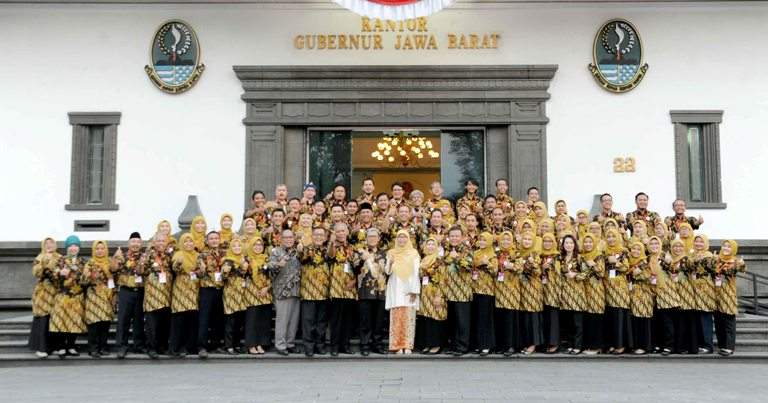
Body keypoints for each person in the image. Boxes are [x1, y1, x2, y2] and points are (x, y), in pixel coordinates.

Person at [352, 228, 388, 356]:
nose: (372, 238)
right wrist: (362, 259)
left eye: (375, 236)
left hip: (381, 291)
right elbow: (354, 269)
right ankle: (364, 344)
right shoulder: (360, 252)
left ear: (379, 239)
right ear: (366, 238)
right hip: (365, 291)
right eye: (370, 236)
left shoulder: (385, 253)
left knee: (379, 321)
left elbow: (388, 272)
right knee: (365, 320)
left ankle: (377, 344)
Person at [50, 235, 87, 358]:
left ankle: (71, 345)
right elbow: (52, 274)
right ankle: (61, 346)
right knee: (61, 321)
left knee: (74, 321)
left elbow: (86, 278)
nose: (73, 248)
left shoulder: (83, 262)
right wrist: (59, 273)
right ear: (67, 247)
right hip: (63, 295)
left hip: (77, 296)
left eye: (76, 245)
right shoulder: (61, 260)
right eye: (71, 245)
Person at [385, 229, 421, 354]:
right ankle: (397, 345)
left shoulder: (414, 253)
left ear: (408, 239)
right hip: (395, 287)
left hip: (409, 287)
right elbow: (387, 271)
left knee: (408, 316)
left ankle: (408, 345)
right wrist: (390, 261)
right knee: (397, 316)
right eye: (399, 237)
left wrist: (415, 290)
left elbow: (416, 272)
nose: (402, 240)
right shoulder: (391, 252)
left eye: (404, 237)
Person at [267, 229, 302, 356]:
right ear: (281, 239)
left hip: (296, 290)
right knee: (282, 320)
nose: (288, 239)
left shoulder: (298, 252)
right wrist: (278, 264)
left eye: (291, 237)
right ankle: (280, 345)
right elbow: (269, 265)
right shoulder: (276, 251)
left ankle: (290, 343)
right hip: (282, 291)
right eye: (286, 237)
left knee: (294, 320)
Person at [113, 232, 146, 358]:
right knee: (123, 320)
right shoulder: (123, 256)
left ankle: (138, 345)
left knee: (139, 320)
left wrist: (143, 263)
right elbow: (114, 270)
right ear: (129, 243)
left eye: (138, 242)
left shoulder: (145, 257)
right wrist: (116, 258)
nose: (135, 244)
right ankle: (122, 346)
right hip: (126, 291)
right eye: (133, 241)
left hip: (141, 290)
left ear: (141, 243)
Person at [298, 227, 330, 356]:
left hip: (324, 292)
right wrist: (302, 248)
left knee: (321, 322)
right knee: (308, 321)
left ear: (325, 237)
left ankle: (320, 345)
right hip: (308, 292)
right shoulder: (306, 248)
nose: (318, 237)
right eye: (316, 234)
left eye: (321, 235)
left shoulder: (328, 250)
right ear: (312, 236)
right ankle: (309, 346)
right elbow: (302, 258)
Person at [326, 223, 357, 356]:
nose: (340, 233)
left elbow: (359, 268)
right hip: (336, 287)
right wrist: (332, 242)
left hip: (349, 287)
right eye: (338, 231)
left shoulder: (353, 248)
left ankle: (345, 345)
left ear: (347, 232)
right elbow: (330, 256)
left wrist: (354, 281)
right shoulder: (332, 246)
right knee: (336, 319)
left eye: (343, 231)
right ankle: (334, 346)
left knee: (347, 319)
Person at [443, 226, 474, 356]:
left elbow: (469, 266)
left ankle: (462, 346)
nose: (454, 238)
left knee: (462, 321)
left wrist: (456, 258)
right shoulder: (446, 250)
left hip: (462, 291)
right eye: (452, 236)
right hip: (449, 291)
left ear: (462, 237)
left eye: (457, 236)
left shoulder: (467, 250)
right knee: (453, 320)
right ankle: (454, 345)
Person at [141, 233, 173, 359]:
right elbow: (141, 272)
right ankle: (151, 348)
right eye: (158, 241)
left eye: (163, 241)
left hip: (166, 293)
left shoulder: (170, 256)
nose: (160, 243)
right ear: (154, 242)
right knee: (152, 324)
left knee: (164, 323)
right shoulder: (148, 255)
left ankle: (162, 346)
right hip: (152, 294)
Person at [169, 233, 200, 357]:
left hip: (193, 289)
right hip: (180, 289)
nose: (189, 244)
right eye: (186, 242)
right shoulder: (178, 255)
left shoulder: (197, 256)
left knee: (191, 319)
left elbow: (201, 272)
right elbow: (175, 268)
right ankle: (176, 348)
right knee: (179, 319)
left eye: (191, 241)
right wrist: (178, 264)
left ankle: (190, 347)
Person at [713, 240, 746, 356]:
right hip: (716, 294)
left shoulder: (735, 261)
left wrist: (740, 265)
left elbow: (741, 268)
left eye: (729, 246)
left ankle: (729, 347)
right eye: (724, 246)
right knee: (718, 321)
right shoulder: (716, 260)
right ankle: (722, 345)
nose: (726, 248)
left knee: (728, 320)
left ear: (733, 249)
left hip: (728, 294)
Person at [29, 237, 60, 358]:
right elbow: (36, 273)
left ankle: (53, 347)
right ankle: (42, 347)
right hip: (42, 293)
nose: (49, 245)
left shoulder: (60, 257)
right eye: (46, 243)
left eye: (51, 243)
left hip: (56, 292)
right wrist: (45, 262)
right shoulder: (39, 257)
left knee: (54, 321)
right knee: (42, 320)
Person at [416, 237, 448, 355]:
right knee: (426, 319)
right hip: (425, 293)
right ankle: (427, 344)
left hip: (436, 293)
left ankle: (436, 344)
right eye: (428, 244)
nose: (430, 246)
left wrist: (439, 296)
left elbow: (444, 279)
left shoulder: (439, 260)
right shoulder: (423, 260)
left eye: (432, 244)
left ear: (436, 247)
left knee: (436, 318)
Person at [603, 228, 632, 354]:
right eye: (608, 236)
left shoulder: (623, 251)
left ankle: (620, 345)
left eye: (613, 236)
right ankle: (612, 343)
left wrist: (617, 263)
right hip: (608, 286)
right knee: (611, 316)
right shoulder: (604, 252)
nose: (611, 239)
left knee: (620, 315)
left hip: (620, 287)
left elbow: (627, 268)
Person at [196, 231, 224, 358]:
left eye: (216, 238)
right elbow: (199, 274)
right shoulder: (202, 255)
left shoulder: (224, 254)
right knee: (204, 319)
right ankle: (202, 346)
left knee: (218, 318)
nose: (214, 240)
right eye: (211, 238)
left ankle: (216, 344)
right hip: (207, 289)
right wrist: (201, 270)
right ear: (207, 241)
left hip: (220, 289)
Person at [494, 231, 521, 356]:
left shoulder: (516, 253)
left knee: (510, 318)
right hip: (499, 288)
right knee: (500, 317)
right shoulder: (497, 253)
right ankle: (501, 345)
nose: (505, 242)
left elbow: (520, 268)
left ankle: (510, 345)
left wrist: (509, 265)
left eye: (508, 240)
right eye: (503, 239)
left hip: (512, 289)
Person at [471, 232, 498, 355]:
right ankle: (478, 344)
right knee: (477, 318)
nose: (482, 242)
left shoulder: (492, 255)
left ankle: (486, 344)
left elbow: (495, 272)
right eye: (480, 239)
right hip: (475, 289)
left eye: (484, 240)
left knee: (485, 319)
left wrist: (487, 263)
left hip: (487, 290)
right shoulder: (475, 254)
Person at [670, 239, 698, 354]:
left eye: (680, 247)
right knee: (679, 322)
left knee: (689, 321)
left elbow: (692, 271)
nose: (677, 249)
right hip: (675, 293)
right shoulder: (670, 260)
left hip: (687, 292)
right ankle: (680, 347)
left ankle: (691, 347)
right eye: (675, 246)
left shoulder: (687, 259)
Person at [244, 237, 272, 355]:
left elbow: (273, 275)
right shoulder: (246, 260)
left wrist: (267, 288)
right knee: (252, 320)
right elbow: (243, 277)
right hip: (252, 293)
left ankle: (260, 343)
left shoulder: (267, 259)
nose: (258, 247)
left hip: (265, 293)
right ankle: (251, 344)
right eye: (255, 245)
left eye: (260, 245)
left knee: (263, 320)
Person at [221, 237, 249, 355]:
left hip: (242, 294)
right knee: (230, 321)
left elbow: (247, 276)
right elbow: (223, 277)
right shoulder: (227, 261)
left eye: (239, 246)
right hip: (231, 293)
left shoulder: (244, 259)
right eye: (234, 246)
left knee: (239, 321)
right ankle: (229, 346)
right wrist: (225, 272)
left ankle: (236, 344)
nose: (237, 248)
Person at [558, 235, 586, 355]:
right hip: (564, 293)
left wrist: (575, 275)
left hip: (577, 293)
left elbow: (586, 274)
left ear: (574, 245)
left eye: (571, 243)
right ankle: (569, 344)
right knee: (568, 321)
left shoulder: (579, 258)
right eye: (566, 243)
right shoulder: (561, 258)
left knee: (577, 322)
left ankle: (578, 346)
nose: (568, 245)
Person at [580, 234, 605, 355]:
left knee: (596, 318)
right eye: (586, 242)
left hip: (596, 291)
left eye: (590, 242)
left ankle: (597, 347)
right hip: (585, 290)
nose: (588, 244)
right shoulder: (582, 256)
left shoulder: (598, 256)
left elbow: (601, 274)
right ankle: (589, 346)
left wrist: (593, 265)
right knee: (588, 319)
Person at [691, 234, 716, 353]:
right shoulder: (692, 255)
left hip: (705, 288)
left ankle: (708, 345)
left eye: (701, 242)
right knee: (697, 318)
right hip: (694, 288)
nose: (698, 244)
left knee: (705, 317)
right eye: (696, 241)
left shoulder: (709, 256)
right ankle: (700, 344)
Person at [628, 240, 654, 355]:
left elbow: (648, 276)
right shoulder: (628, 262)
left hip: (644, 294)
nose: (636, 251)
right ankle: (636, 345)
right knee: (635, 320)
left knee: (643, 320)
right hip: (632, 294)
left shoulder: (645, 262)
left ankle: (645, 346)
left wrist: (636, 274)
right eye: (634, 249)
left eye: (639, 249)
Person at [539, 233, 561, 354]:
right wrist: (542, 268)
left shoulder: (557, 256)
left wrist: (551, 266)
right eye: (545, 241)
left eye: (550, 241)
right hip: (541, 289)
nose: (547, 243)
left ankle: (554, 343)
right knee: (545, 317)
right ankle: (546, 342)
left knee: (553, 317)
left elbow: (560, 272)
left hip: (553, 289)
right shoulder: (540, 255)